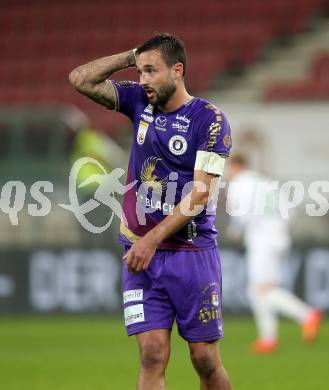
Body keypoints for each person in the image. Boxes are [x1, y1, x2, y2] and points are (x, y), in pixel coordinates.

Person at [69, 33, 232, 389]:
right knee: (152, 354)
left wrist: (152, 240)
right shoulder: (139, 102)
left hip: (192, 254)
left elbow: (201, 194)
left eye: (151, 71)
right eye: (139, 71)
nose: (142, 80)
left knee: (204, 359)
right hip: (141, 254)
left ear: (177, 71)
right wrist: (131, 56)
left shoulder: (210, 120)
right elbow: (80, 79)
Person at [226, 154, 322, 354]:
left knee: (259, 290)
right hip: (280, 237)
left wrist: (235, 231)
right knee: (262, 289)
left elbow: (240, 215)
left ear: (236, 166)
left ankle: (306, 315)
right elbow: (290, 211)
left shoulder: (240, 184)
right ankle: (268, 339)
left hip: (262, 239)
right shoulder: (265, 181)